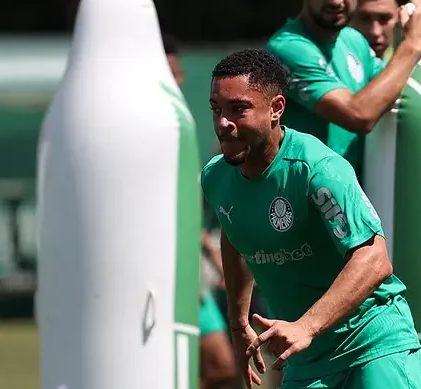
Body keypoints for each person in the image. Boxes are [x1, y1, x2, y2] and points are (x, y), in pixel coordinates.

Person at [202, 48, 421, 389]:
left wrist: (306, 326)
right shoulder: (216, 178)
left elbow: (374, 259)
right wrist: (238, 323)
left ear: (276, 108)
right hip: (305, 360)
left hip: (374, 346)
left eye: (238, 109)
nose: (223, 123)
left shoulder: (317, 169)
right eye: (216, 109)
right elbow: (235, 236)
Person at [266, 0, 421, 178]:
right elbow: (359, 115)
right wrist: (414, 43)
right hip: (304, 196)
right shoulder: (287, 47)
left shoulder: (353, 39)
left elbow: (395, 88)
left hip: (350, 193)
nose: (336, 2)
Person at [162, 32, 236, 389]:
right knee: (216, 364)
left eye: (178, 73)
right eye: (169, 72)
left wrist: (211, 254)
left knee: (223, 367)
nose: (177, 80)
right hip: (167, 273)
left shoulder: (181, 124)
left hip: (193, 272)